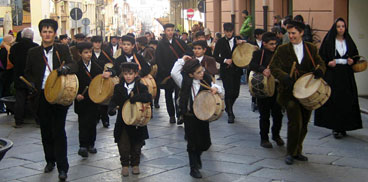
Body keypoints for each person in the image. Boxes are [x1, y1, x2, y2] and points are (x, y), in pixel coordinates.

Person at [24, 19, 78, 181]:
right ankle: (50, 161)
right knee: (45, 131)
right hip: (41, 96)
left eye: (50, 31)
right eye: (44, 31)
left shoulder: (61, 48)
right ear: (41, 33)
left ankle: (63, 168)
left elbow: (73, 64)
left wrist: (65, 69)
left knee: (59, 131)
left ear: (54, 33)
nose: (47, 34)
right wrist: (32, 84)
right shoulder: (33, 52)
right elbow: (28, 72)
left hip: (59, 96)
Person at [270, 20, 326, 165]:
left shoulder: (311, 48)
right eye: (289, 33)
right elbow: (274, 67)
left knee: (305, 123)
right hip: (289, 92)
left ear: (301, 32)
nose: (291, 36)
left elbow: (321, 63)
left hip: (307, 92)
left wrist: (320, 70)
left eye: (293, 33)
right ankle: (290, 152)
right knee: (294, 122)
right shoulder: (282, 49)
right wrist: (284, 76)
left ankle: (297, 151)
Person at [171, 58, 223, 178]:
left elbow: (219, 89)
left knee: (206, 143)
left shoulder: (206, 79)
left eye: (202, 70)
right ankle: (193, 167)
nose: (202, 73)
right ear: (190, 74)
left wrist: (216, 89)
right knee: (192, 143)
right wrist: (181, 60)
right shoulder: (184, 81)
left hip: (203, 116)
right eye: (198, 72)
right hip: (190, 116)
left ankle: (197, 156)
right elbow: (174, 73)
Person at [314, 18, 362, 139]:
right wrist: (328, 63)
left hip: (346, 74)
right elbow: (322, 56)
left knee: (346, 99)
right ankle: (335, 127)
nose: (341, 29)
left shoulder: (348, 41)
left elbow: (355, 54)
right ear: (335, 28)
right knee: (334, 100)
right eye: (338, 26)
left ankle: (344, 126)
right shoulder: (329, 41)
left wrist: (352, 60)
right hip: (333, 74)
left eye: (343, 26)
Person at [108, 62, 152, 177]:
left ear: (136, 74)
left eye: (130, 74)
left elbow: (148, 97)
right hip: (122, 121)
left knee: (137, 144)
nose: (128, 76)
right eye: (126, 74)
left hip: (137, 120)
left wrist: (135, 98)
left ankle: (135, 163)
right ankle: (125, 165)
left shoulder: (141, 86)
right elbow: (114, 100)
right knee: (123, 144)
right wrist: (111, 109)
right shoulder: (118, 87)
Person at [249, 32, 284, 148]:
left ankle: (276, 135)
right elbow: (251, 65)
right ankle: (264, 138)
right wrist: (262, 69)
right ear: (264, 44)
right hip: (263, 89)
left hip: (277, 88)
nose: (274, 46)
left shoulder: (279, 53)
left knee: (278, 114)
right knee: (264, 115)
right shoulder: (259, 53)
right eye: (271, 44)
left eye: (275, 44)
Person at [155, 23, 192, 124]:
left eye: (172, 30)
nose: (170, 32)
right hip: (166, 74)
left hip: (178, 73)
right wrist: (165, 72)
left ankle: (179, 114)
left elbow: (188, 50)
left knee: (178, 94)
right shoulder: (160, 44)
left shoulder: (179, 42)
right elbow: (159, 59)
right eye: (168, 30)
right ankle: (171, 115)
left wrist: (183, 62)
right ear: (164, 31)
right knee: (168, 95)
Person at [74, 42, 103, 157]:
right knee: (83, 123)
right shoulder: (76, 67)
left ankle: (91, 144)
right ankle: (83, 145)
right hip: (81, 99)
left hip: (93, 99)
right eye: (85, 52)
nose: (88, 55)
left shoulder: (97, 66)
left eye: (90, 52)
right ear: (80, 53)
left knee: (93, 122)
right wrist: (76, 95)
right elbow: (73, 83)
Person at [213, 23, 245, 123]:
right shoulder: (220, 41)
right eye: (227, 31)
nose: (229, 33)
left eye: (230, 31)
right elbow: (215, 56)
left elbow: (249, 47)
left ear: (233, 31)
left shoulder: (238, 39)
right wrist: (224, 60)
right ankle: (230, 113)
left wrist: (243, 42)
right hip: (226, 70)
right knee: (228, 91)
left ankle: (228, 106)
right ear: (224, 31)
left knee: (236, 92)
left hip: (237, 69)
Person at [8, 28, 39, 127]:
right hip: (32, 76)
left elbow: (11, 59)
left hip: (19, 76)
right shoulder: (36, 47)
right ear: (32, 36)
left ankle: (18, 121)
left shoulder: (14, 47)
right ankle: (38, 120)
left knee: (20, 99)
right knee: (35, 99)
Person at [91, 35, 114, 128]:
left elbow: (112, 63)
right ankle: (96, 117)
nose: (97, 44)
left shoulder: (105, 53)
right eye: (95, 42)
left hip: (104, 79)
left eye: (99, 42)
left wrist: (108, 70)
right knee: (94, 99)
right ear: (92, 43)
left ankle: (105, 120)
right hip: (92, 79)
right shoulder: (89, 53)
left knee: (104, 100)